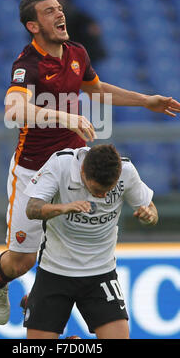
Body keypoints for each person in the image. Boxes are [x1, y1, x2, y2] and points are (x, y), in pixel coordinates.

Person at [0, 0, 180, 325]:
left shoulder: (77, 52)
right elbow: (14, 108)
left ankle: (45, 298)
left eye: (59, 8)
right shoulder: (27, 65)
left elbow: (96, 89)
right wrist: (65, 117)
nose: (59, 14)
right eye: (49, 11)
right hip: (32, 171)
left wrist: (145, 100)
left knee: (78, 243)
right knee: (22, 261)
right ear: (33, 26)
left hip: (72, 169)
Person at [23, 144, 158, 339]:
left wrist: (148, 216)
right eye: (96, 190)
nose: (103, 196)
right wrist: (63, 208)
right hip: (55, 270)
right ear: (82, 171)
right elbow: (32, 208)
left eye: (108, 190)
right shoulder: (61, 164)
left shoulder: (126, 171)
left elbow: (153, 212)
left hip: (101, 272)